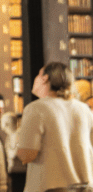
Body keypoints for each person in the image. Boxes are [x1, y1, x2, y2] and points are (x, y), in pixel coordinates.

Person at [17, 62, 93, 192]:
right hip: (84, 186)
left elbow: (27, 155)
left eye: (38, 75)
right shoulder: (84, 109)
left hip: (50, 187)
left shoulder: (36, 108)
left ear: (45, 78)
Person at [0, 112, 26, 192]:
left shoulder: (18, 135)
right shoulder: (10, 136)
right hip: (13, 173)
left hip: (19, 173)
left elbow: (14, 154)